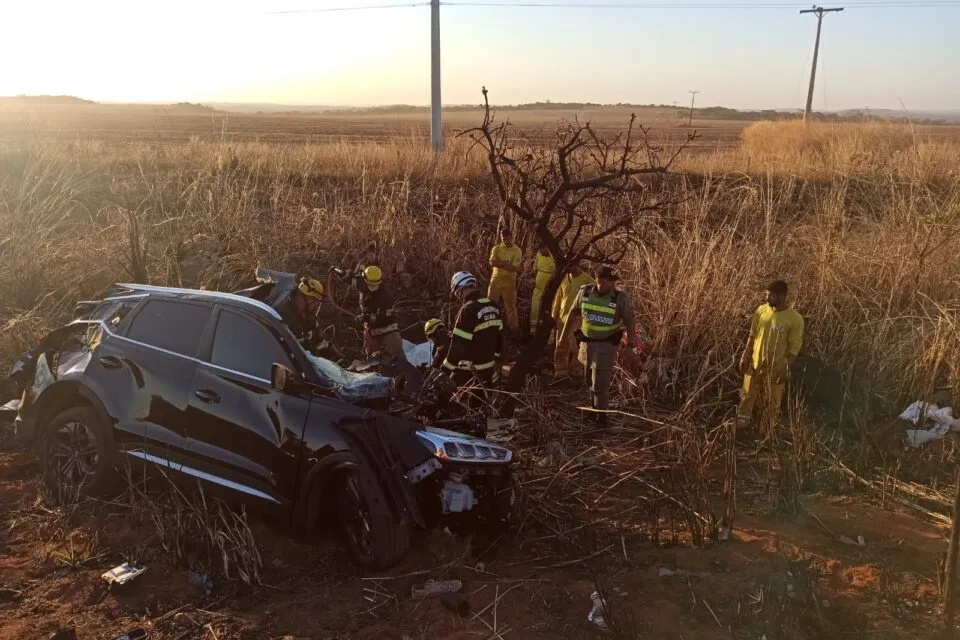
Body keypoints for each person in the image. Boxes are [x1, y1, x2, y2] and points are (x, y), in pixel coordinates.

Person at [557, 266, 638, 427]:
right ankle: (594, 412)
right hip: (586, 344)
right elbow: (572, 312)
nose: (614, 285)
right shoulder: (585, 292)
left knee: (600, 385)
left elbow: (630, 322)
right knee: (589, 381)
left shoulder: (620, 298)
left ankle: (602, 419)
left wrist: (630, 346)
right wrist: (562, 337)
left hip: (606, 346)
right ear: (600, 281)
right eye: (610, 282)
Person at [737, 280, 804, 437]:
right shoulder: (761, 311)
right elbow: (752, 334)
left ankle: (767, 428)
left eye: (771, 295)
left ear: (782, 296)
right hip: (755, 362)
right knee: (747, 393)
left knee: (773, 400)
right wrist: (745, 355)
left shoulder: (794, 319)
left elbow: (794, 347)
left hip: (777, 366)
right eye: (766, 294)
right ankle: (742, 420)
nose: (767, 298)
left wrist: (786, 368)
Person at [444, 271, 504, 404]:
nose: (458, 297)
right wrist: (495, 358)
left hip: (470, 371)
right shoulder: (494, 306)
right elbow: (500, 338)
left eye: (456, 293)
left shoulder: (467, 310)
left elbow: (458, 346)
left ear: (460, 289)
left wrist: (444, 370)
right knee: (483, 405)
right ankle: (494, 424)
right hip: (488, 368)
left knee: (451, 400)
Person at [354, 265, 406, 360]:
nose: (373, 287)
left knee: (397, 357)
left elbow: (384, 317)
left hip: (388, 331)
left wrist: (366, 317)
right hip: (370, 332)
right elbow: (352, 280)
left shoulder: (386, 297)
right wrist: (342, 274)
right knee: (372, 359)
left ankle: (402, 373)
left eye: (375, 285)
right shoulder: (362, 284)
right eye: (370, 284)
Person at [552, 263, 594, 378]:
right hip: (563, 317)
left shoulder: (588, 281)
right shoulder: (563, 278)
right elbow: (558, 297)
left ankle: (577, 372)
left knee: (577, 348)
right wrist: (554, 315)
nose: (568, 268)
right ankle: (560, 372)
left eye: (571, 265)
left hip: (578, 320)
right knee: (561, 344)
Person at [487, 228, 522, 334]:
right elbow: (492, 262)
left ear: (512, 237)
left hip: (509, 284)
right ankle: (489, 327)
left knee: (510, 308)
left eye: (507, 239)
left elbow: (515, 267)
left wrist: (500, 263)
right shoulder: (496, 249)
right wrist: (506, 264)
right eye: (503, 239)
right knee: (490, 305)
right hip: (495, 283)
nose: (506, 241)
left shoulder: (517, 250)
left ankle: (514, 330)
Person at [283, 276, 327, 355]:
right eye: (313, 300)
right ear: (300, 296)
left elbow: (316, 342)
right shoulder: (283, 317)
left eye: (317, 303)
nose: (315, 307)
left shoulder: (310, 318)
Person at [530, 244, 556, 336]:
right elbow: (534, 268)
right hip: (539, 283)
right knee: (536, 303)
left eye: (543, 249)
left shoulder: (554, 256)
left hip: (550, 283)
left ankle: (549, 330)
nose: (541, 251)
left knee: (549, 304)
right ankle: (533, 326)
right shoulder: (539, 254)